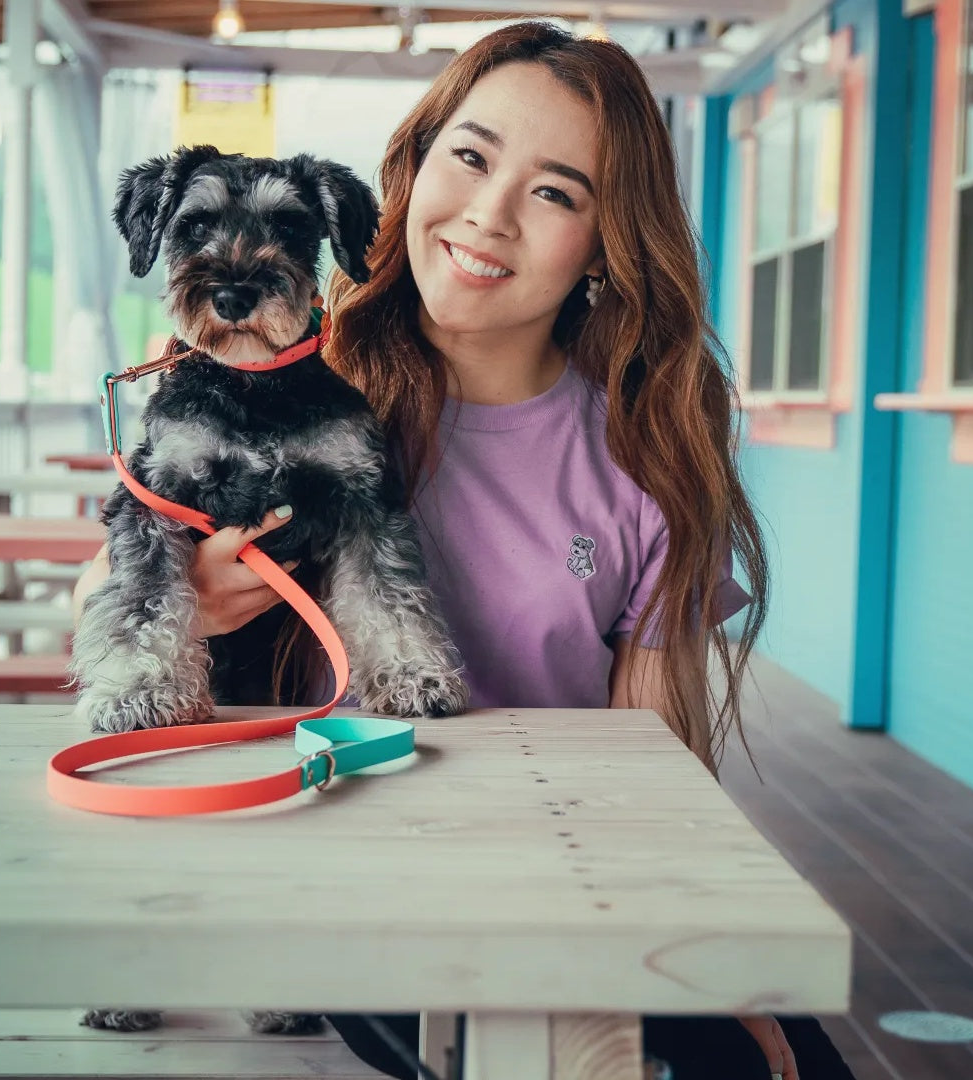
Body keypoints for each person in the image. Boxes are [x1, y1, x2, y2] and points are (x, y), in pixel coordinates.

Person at [73, 21, 856, 1080]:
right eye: (474, 157)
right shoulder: (286, 379)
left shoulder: (643, 454)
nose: (490, 214)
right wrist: (198, 601)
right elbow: (113, 574)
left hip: (556, 876)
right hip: (331, 874)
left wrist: (707, 957)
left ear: (606, 239)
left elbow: (657, 756)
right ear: (418, 164)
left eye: (556, 192)